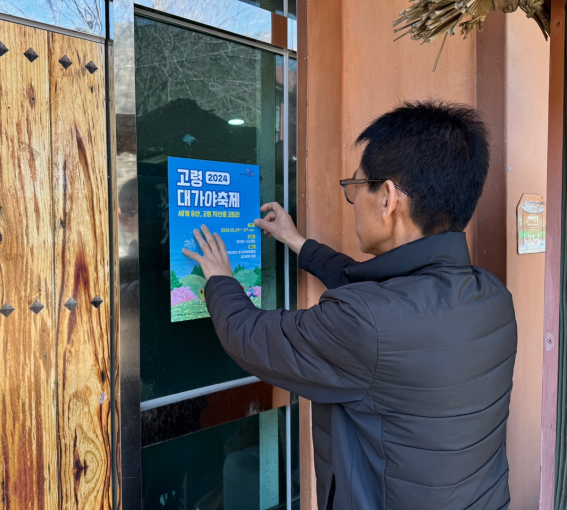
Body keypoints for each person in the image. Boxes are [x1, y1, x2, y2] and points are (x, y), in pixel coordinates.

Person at [183, 101, 517, 510]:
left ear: (388, 198)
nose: (353, 199)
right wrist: (299, 243)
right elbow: (383, 294)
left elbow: (248, 335)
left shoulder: (370, 322)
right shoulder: (491, 296)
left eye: (355, 187)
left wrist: (219, 277)